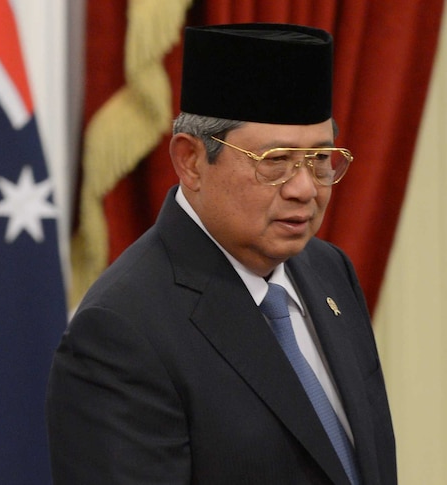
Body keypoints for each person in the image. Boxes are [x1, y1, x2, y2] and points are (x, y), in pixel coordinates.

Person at [46, 23, 396, 484]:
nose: (305, 188)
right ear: (191, 160)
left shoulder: (330, 270)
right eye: (275, 162)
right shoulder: (121, 331)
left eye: (321, 159)